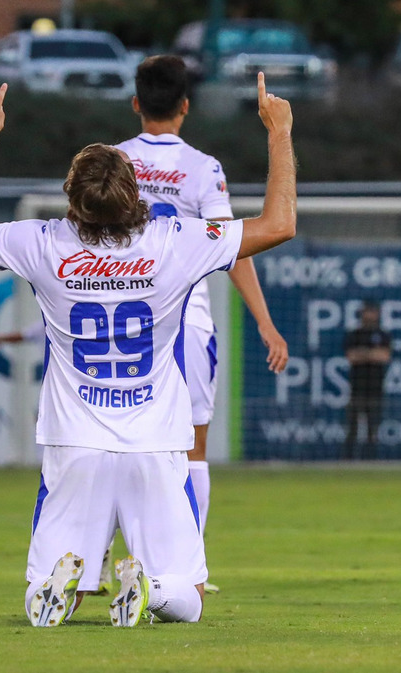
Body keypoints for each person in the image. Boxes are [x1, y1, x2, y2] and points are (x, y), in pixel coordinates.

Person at [0, 73, 296, 627]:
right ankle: (151, 588)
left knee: (48, 586)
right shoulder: (174, 242)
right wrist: (279, 132)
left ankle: (58, 589)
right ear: (136, 196)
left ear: (72, 197)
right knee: (188, 594)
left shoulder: (43, 242)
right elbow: (279, 224)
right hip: (155, 443)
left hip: (72, 441)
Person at [115, 55, 288, 592]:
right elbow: (232, 249)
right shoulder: (202, 168)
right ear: (186, 106)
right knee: (192, 446)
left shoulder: (111, 161)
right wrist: (264, 321)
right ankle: (187, 569)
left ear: (136, 102)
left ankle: (96, 557)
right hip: (185, 319)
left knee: (112, 436)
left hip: (119, 315)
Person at [343, 301, 391, 460]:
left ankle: (370, 460)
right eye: (367, 312)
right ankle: (348, 461)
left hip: (375, 387)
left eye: (373, 312)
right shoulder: (355, 334)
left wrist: (363, 354)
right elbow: (351, 357)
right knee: (352, 427)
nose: (370, 315)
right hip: (357, 386)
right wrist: (372, 354)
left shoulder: (383, 334)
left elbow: (384, 356)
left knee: (373, 427)